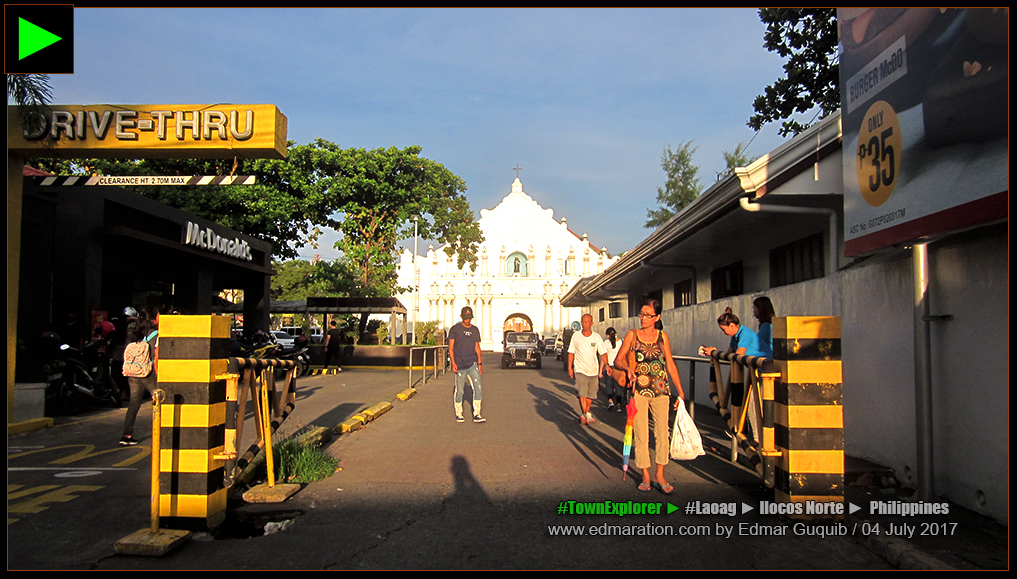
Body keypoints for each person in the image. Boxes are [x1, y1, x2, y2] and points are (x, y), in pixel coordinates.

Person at [615, 299, 685, 495]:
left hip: (662, 391)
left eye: (648, 315)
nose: (644, 318)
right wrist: (629, 369)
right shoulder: (633, 335)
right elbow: (618, 360)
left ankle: (659, 475)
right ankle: (645, 474)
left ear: (657, 317)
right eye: (642, 314)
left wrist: (680, 390)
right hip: (639, 391)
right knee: (641, 434)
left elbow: (669, 363)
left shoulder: (663, 336)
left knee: (663, 433)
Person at [703, 308, 765, 431]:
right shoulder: (736, 336)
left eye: (723, 329)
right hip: (758, 371)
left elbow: (738, 355)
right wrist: (714, 352)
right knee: (752, 404)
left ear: (732, 325)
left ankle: (757, 437)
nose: (723, 332)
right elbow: (729, 354)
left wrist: (715, 352)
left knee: (753, 405)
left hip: (765, 371)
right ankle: (753, 433)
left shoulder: (745, 334)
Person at [120, 318, 158, 446]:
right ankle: (164, 431)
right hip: (148, 374)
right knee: (160, 400)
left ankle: (126, 435)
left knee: (134, 404)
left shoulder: (134, 336)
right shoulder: (154, 334)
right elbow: (155, 354)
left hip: (133, 373)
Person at [568, 314, 608, 424]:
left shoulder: (596, 337)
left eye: (586, 322)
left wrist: (607, 365)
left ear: (591, 323)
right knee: (582, 393)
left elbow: (603, 353)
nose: (584, 324)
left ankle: (586, 412)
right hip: (580, 369)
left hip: (593, 370)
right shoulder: (576, 336)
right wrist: (570, 367)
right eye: (583, 322)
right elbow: (571, 352)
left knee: (591, 394)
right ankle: (586, 414)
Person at [448, 306, 484, 423]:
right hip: (459, 364)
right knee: (460, 390)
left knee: (477, 388)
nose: (468, 320)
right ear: (461, 317)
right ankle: (459, 413)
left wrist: (479, 364)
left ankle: (477, 413)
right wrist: (453, 363)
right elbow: (451, 347)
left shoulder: (475, 330)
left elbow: (477, 347)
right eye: (466, 318)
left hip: (472, 363)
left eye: (470, 318)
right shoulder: (455, 329)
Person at [604, 327, 625, 411]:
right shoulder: (621, 342)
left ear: (608, 335)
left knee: (609, 385)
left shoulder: (606, 343)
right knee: (618, 386)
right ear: (616, 333)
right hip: (618, 367)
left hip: (609, 366)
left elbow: (604, 356)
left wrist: (604, 366)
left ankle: (610, 401)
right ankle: (619, 405)